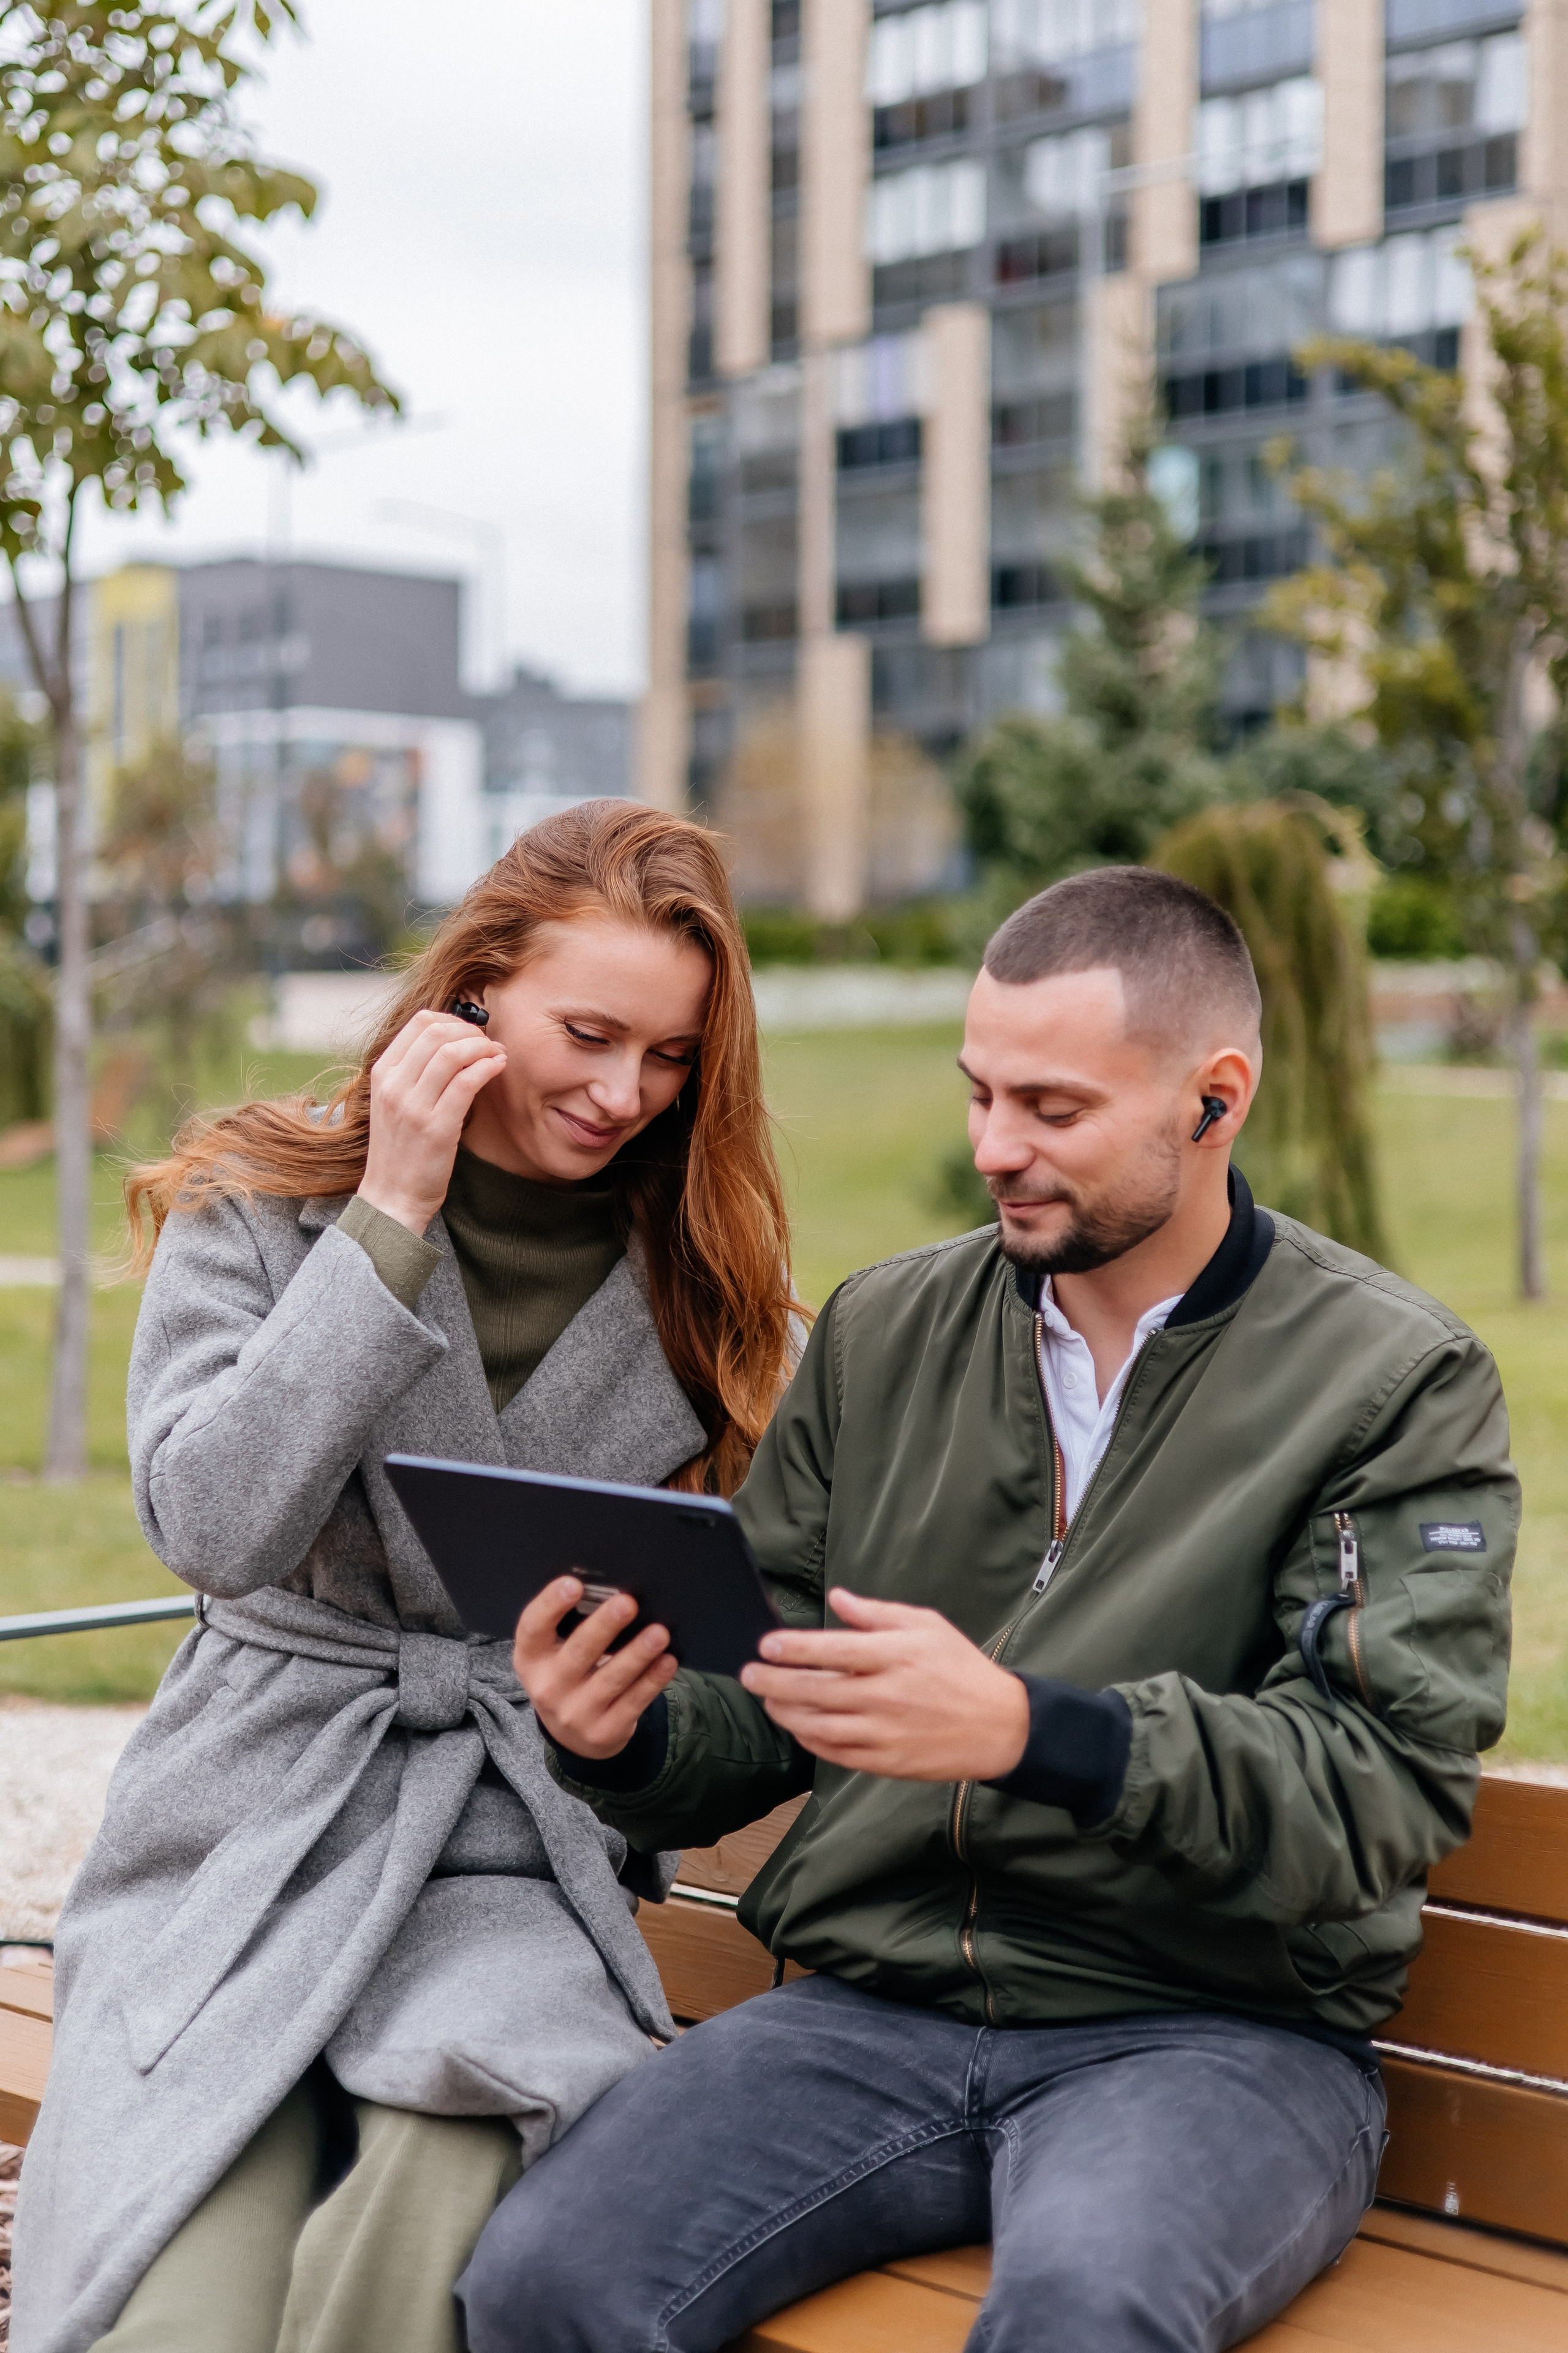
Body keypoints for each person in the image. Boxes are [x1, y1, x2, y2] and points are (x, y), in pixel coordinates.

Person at [463, 866, 1517, 2353]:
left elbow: (1383, 1786)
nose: (993, 1149)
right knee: (539, 2284)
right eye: (977, 1096)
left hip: (1209, 2035)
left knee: (1078, 2319)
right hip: (869, 2006)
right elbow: (757, 1694)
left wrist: (1033, 1732)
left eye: (1051, 1109)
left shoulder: (1391, 1383)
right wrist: (621, 1734)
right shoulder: (885, 1327)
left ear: (1212, 1101)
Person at [13, 801, 799, 2353]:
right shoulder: (263, 1201)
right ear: (477, 987)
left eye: (669, 1057)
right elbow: (213, 1523)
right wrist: (389, 1218)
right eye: (585, 1031)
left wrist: (617, 1719)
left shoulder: (711, 1300)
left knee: (440, 2202)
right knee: (179, 2307)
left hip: (507, 1859)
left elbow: (739, 1648)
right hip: (246, 1832)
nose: (619, 1092)